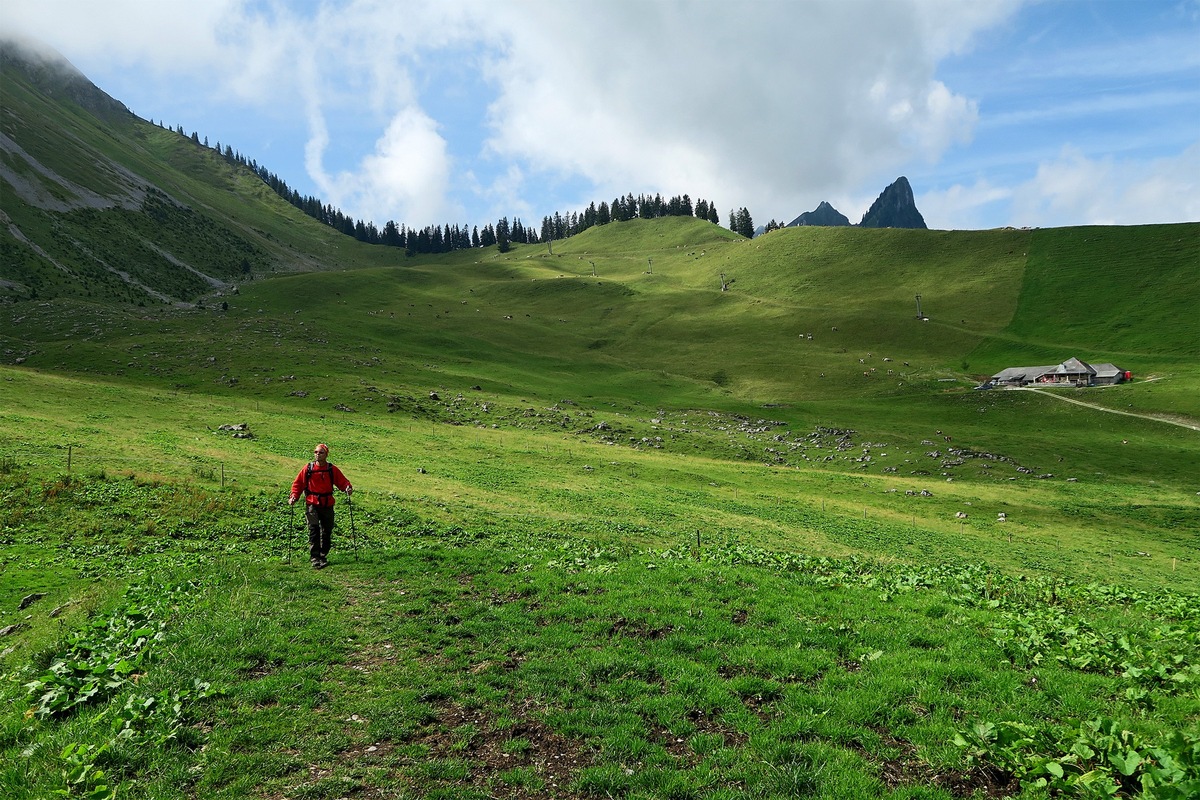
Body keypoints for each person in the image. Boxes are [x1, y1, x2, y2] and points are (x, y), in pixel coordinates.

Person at [288, 443, 352, 569]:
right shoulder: (308, 468)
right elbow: (298, 484)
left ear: (326, 454)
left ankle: (323, 556)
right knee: (314, 530)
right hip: (312, 503)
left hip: (327, 503)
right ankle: (315, 558)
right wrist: (294, 497)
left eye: (320, 452)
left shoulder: (331, 469)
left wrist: (347, 488)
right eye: (316, 452)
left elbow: (342, 481)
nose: (317, 454)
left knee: (327, 531)